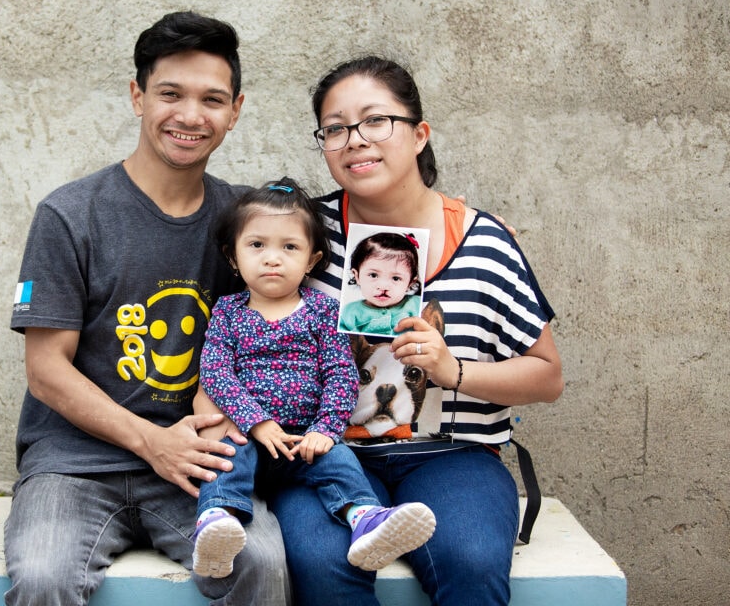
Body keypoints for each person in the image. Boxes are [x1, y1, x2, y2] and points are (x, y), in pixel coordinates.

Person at [3, 11, 289, 606]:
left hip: (201, 463)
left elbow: (340, 254)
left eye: (212, 99)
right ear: (138, 97)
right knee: (44, 578)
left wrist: (443, 218)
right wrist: (151, 442)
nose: (190, 116)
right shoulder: (70, 214)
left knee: (260, 564)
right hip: (75, 462)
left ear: (235, 111)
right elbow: (46, 370)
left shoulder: (247, 223)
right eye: (170, 94)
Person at [269, 55, 564, 606]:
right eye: (335, 128)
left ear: (419, 134)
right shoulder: (300, 233)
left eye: (376, 120)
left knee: (471, 562)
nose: (355, 139)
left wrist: (451, 370)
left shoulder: (488, 241)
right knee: (322, 561)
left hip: (454, 456)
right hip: (326, 454)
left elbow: (547, 377)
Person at [191, 178, 435, 579]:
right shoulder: (229, 311)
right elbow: (216, 372)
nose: (273, 258)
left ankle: (365, 519)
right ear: (233, 258)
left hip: (305, 439)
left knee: (338, 459)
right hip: (250, 434)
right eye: (257, 245)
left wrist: (325, 428)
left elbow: (341, 373)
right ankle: (217, 521)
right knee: (225, 454)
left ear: (311, 260)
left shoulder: (322, 310)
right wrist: (256, 422)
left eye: (289, 247)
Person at [339, 231, 422, 336]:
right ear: (357, 276)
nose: (383, 286)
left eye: (396, 278)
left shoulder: (417, 306)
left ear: (410, 282)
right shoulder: (350, 313)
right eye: (373, 275)